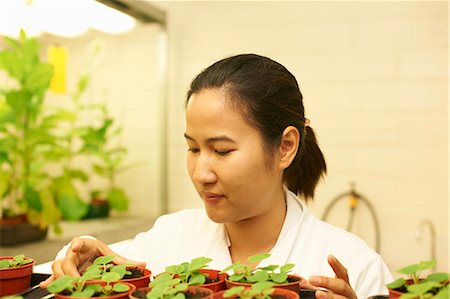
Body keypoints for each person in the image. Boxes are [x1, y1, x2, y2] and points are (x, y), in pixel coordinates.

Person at [40, 54, 392, 299]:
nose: (201, 173)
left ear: (285, 146)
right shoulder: (170, 238)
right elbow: (74, 266)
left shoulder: (353, 266)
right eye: (193, 149)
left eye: (221, 151)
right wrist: (86, 261)